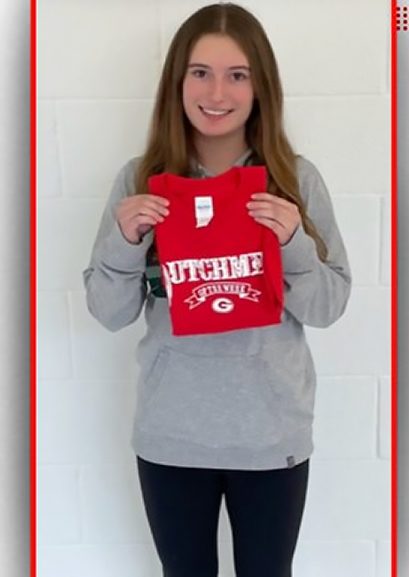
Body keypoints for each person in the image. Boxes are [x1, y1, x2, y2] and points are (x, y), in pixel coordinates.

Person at [82, 4, 351, 576]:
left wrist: (293, 241)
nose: (217, 92)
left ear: (261, 87)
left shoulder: (295, 180)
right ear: (177, 82)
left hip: (271, 436)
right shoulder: (139, 181)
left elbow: (329, 306)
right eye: (200, 72)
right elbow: (108, 312)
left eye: (237, 74)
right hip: (170, 438)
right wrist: (125, 240)